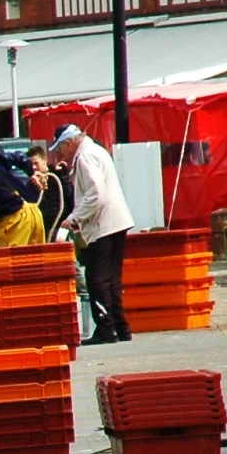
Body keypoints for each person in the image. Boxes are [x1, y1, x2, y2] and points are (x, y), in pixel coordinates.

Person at [50, 123, 136, 343]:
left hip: (103, 224)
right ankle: (120, 327)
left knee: (96, 279)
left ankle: (106, 329)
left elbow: (96, 194)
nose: (61, 153)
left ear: (69, 143)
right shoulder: (96, 150)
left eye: (61, 148)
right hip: (117, 220)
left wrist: (74, 219)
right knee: (112, 278)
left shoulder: (85, 157)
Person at [28, 147, 68, 237]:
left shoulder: (57, 176)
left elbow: (69, 196)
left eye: (36, 163)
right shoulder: (31, 184)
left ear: (45, 160)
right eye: (31, 164)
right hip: (41, 228)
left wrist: (63, 174)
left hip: (59, 227)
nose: (34, 167)